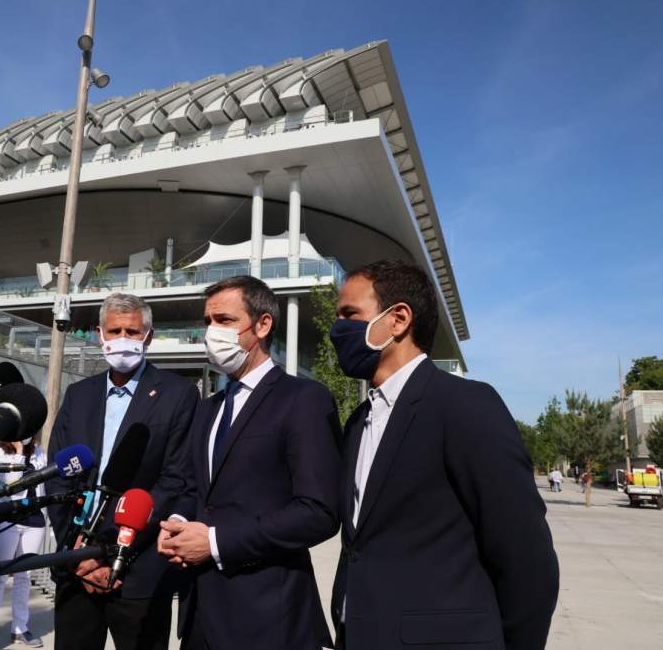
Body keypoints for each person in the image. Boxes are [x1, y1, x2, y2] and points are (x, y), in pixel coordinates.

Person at [327, 260, 559, 649]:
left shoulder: (465, 406)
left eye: (350, 314)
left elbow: (527, 559)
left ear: (398, 319)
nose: (337, 329)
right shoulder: (358, 421)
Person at [158, 276, 342, 650]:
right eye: (207, 321)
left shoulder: (303, 399)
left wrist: (214, 541)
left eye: (224, 320)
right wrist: (177, 523)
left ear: (262, 324)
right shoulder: (207, 408)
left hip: (268, 620)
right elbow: (194, 488)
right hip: (199, 617)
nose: (212, 332)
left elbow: (318, 511)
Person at [47, 292, 199, 650]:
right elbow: (58, 474)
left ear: (149, 335)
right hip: (76, 566)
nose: (122, 340)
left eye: (132, 331)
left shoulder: (178, 394)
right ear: (100, 334)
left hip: (138, 570)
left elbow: (175, 480)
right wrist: (79, 551)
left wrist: (111, 548)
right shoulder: (79, 395)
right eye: (114, 331)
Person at [0, 438, 48, 648]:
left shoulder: (39, 453)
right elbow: (12, 486)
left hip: (34, 520)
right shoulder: (0, 454)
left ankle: (20, 629)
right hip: (8, 518)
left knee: (24, 577)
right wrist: (18, 452)